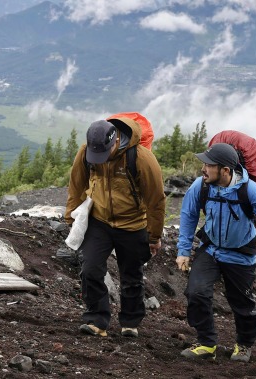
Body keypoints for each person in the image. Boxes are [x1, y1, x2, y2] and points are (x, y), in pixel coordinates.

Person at [175, 143, 256, 362]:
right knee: (196, 293)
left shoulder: (250, 190)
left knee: (242, 304)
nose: (203, 169)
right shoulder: (200, 186)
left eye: (209, 165)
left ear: (226, 170)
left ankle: (244, 345)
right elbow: (188, 215)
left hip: (240, 254)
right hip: (210, 250)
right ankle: (206, 343)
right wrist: (183, 250)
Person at [65, 117, 166, 338]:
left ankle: (130, 322)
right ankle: (96, 320)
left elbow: (156, 200)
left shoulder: (141, 158)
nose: (99, 159)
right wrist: (71, 219)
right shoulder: (86, 153)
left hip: (132, 224)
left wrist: (154, 236)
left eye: (104, 154)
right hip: (99, 220)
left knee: (131, 275)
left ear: (115, 141)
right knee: (90, 269)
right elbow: (76, 186)